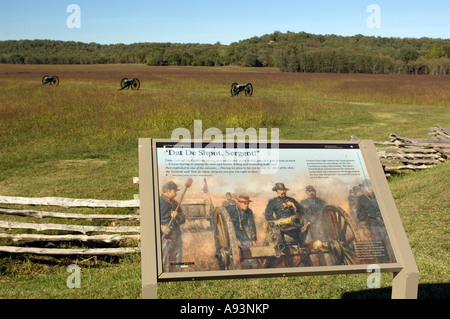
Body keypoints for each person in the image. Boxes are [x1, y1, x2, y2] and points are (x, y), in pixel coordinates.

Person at [264, 183, 311, 266]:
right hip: (280, 225)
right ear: (277, 191)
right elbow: (268, 215)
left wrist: (294, 208)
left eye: (284, 190)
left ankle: (301, 246)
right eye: (280, 190)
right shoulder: (273, 202)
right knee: (276, 229)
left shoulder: (291, 200)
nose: (282, 192)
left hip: (293, 225)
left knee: (298, 227)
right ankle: (280, 247)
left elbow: (301, 212)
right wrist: (275, 222)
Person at [160, 181, 186, 272]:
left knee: (177, 262)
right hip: (164, 238)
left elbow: (183, 219)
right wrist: (161, 227)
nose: (176, 193)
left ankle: (177, 278)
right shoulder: (158, 202)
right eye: (175, 191)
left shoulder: (175, 204)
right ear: (169, 191)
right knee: (162, 262)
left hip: (176, 237)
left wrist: (177, 216)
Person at [300, 185, 328, 266]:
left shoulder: (322, 202)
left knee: (325, 247)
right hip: (310, 227)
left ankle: (328, 265)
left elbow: (322, 213)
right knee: (314, 246)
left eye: (313, 191)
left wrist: (311, 221)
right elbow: (301, 215)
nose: (311, 193)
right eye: (309, 191)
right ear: (306, 192)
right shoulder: (303, 203)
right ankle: (319, 265)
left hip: (322, 225)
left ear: (315, 192)